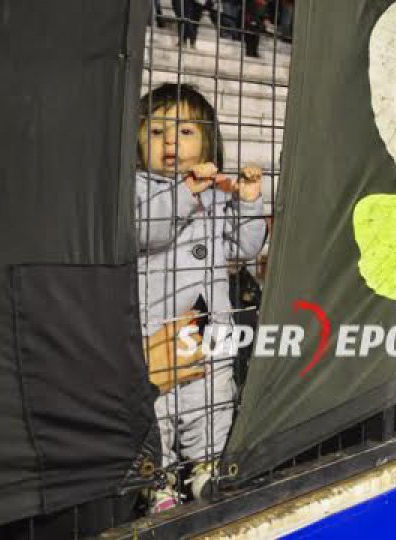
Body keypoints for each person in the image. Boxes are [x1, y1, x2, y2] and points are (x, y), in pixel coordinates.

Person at [135, 83, 267, 500]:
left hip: (213, 338)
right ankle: (160, 481)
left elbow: (243, 249)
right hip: (157, 339)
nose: (171, 140)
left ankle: (206, 467)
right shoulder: (138, 188)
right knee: (161, 415)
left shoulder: (214, 196)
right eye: (157, 132)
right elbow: (147, 231)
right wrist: (185, 192)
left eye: (186, 131)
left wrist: (246, 203)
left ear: (209, 141)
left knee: (211, 406)